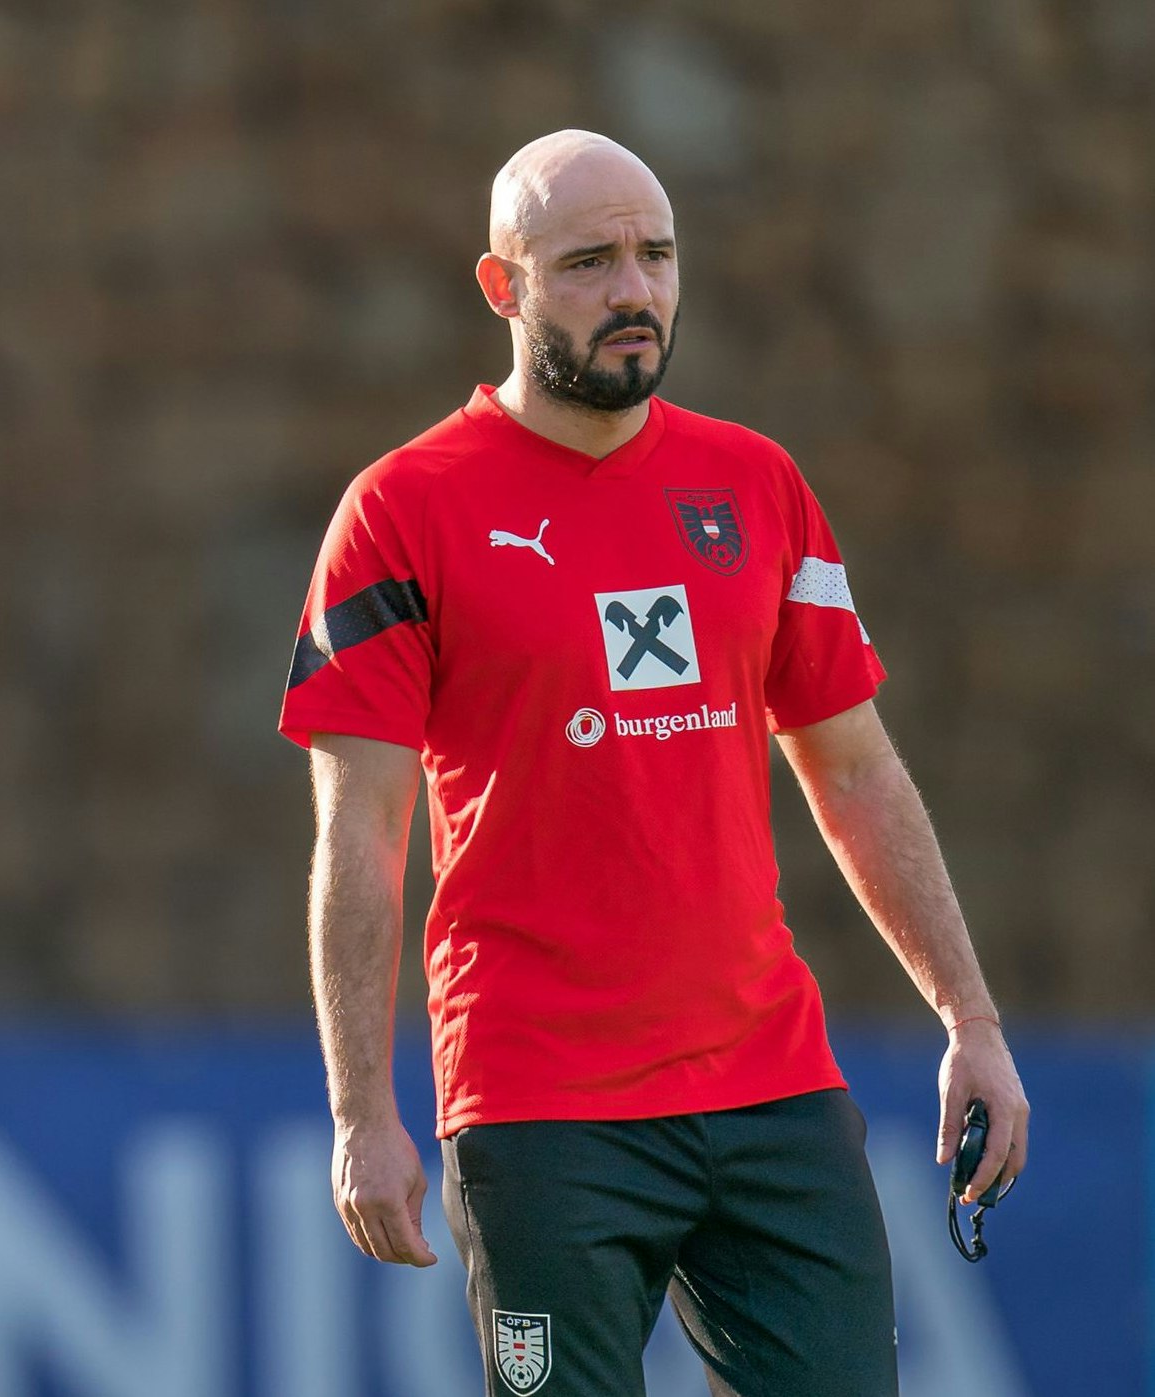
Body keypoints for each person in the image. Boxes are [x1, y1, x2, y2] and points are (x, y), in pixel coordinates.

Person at [279, 129, 1028, 1397]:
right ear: (502, 286)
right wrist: (364, 1113)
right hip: (540, 1107)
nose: (634, 290)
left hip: (773, 1088)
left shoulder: (759, 484)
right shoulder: (403, 510)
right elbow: (361, 829)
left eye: (656, 255)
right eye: (589, 263)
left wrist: (973, 1020)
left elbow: (853, 770)